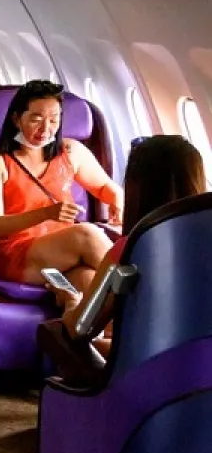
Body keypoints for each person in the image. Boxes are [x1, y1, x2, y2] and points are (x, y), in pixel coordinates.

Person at [0, 80, 122, 295]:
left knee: (94, 290)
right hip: (17, 251)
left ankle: (79, 312)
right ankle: (142, 293)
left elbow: (105, 187)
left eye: (54, 120)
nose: (46, 129)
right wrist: (46, 213)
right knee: (86, 234)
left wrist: (117, 200)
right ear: (16, 119)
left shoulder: (70, 151)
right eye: (36, 119)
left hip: (64, 252)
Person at [59, 135, 205, 347]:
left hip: (152, 363)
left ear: (137, 188)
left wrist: (71, 303)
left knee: (60, 338)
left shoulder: (130, 251)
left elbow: (80, 328)